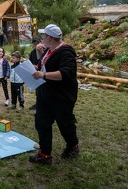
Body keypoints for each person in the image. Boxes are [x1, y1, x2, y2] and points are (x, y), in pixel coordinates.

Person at [29, 24, 79, 165]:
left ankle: (72, 146)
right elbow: (43, 66)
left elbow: (66, 73)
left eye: (44, 36)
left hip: (61, 97)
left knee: (65, 123)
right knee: (42, 123)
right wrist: (37, 64)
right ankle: (44, 154)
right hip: (45, 94)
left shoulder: (66, 52)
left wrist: (43, 75)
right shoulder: (48, 50)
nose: (42, 38)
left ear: (50, 37)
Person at [28, 36, 43, 110]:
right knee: (38, 90)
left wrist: (39, 66)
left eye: (37, 43)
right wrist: (33, 66)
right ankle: (38, 104)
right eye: (35, 43)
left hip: (43, 73)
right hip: (35, 73)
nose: (36, 45)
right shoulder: (32, 52)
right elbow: (30, 62)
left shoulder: (44, 52)